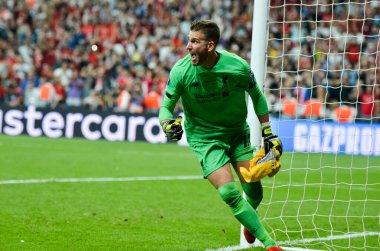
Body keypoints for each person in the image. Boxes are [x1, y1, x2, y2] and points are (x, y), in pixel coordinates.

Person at [159, 20, 283, 251]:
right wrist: (167, 123)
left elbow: (256, 95)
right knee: (228, 192)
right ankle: (269, 243)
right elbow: (165, 107)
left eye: (194, 41)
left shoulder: (237, 66)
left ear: (210, 45)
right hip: (205, 139)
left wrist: (267, 131)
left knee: (254, 190)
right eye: (189, 40)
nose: (188, 46)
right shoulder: (181, 71)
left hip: (236, 134)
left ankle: (250, 219)